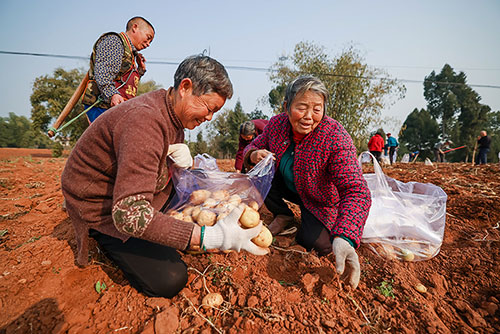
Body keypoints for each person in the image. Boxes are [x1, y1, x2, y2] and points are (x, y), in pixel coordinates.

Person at [61, 55, 268, 298]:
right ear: (185, 87)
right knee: (170, 278)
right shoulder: (144, 121)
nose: (209, 118)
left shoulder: (173, 116)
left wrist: (186, 166)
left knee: (204, 203)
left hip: (140, 190)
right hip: (101, 206)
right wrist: (209, 237)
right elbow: (129, 215)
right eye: (209, 108)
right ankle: (102, 236)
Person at [242, 76, 371, 289]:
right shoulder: (276, 125)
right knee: (258, 173)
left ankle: (312, 225)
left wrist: (346, 235)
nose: (309, 117)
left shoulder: (335, 137)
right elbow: (251, 148)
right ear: (286, 106)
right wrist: (254, 154)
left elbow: (356, 190)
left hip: (319, 199)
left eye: (317, 109)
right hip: (288, 186)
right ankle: (284, 214)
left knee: (316, 243)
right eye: (301, 108)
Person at [81, 16, 155, 123]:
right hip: (103, 106)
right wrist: (112, 95)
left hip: (118, 108)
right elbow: (103, 72)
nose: (148, 44)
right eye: (148, 38)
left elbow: (124, 81)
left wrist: (140, 71)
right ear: (135, 27)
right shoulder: (115, 42)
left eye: (150, 42)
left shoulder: (131, 53)